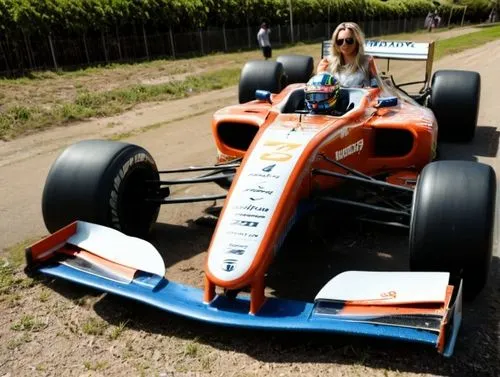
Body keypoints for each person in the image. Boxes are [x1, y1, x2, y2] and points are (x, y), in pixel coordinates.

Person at [317, 22, 378, 88]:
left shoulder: (368, 61)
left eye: (349, 40)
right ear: (335, 43)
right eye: (340, 41)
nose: (344, 44)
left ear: (357, 41)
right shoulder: (326, 63)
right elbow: (317, 86)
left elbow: (377, 87)